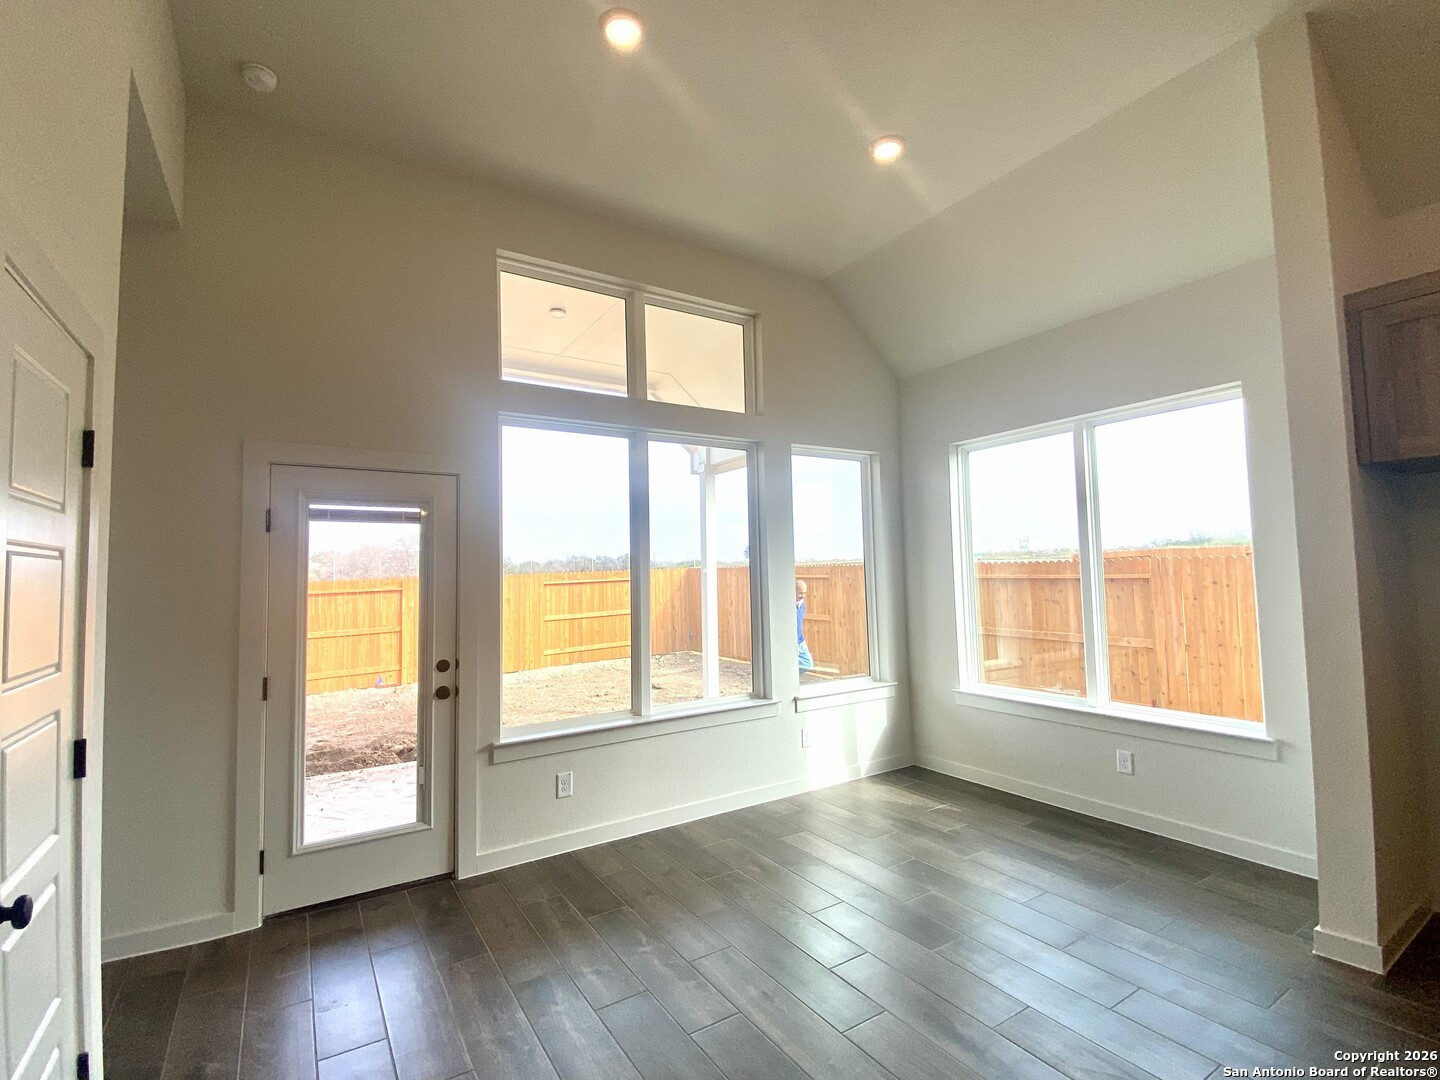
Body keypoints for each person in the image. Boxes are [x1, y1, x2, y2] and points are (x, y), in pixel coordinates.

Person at [796, 578, 814, 675]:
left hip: (800, 641)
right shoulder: (789, 606)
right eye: (800, 593)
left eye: (804, 593)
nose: (802, 595)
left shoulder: (802, 605)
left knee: (808, 663)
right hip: (791, 642)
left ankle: (790, 675)